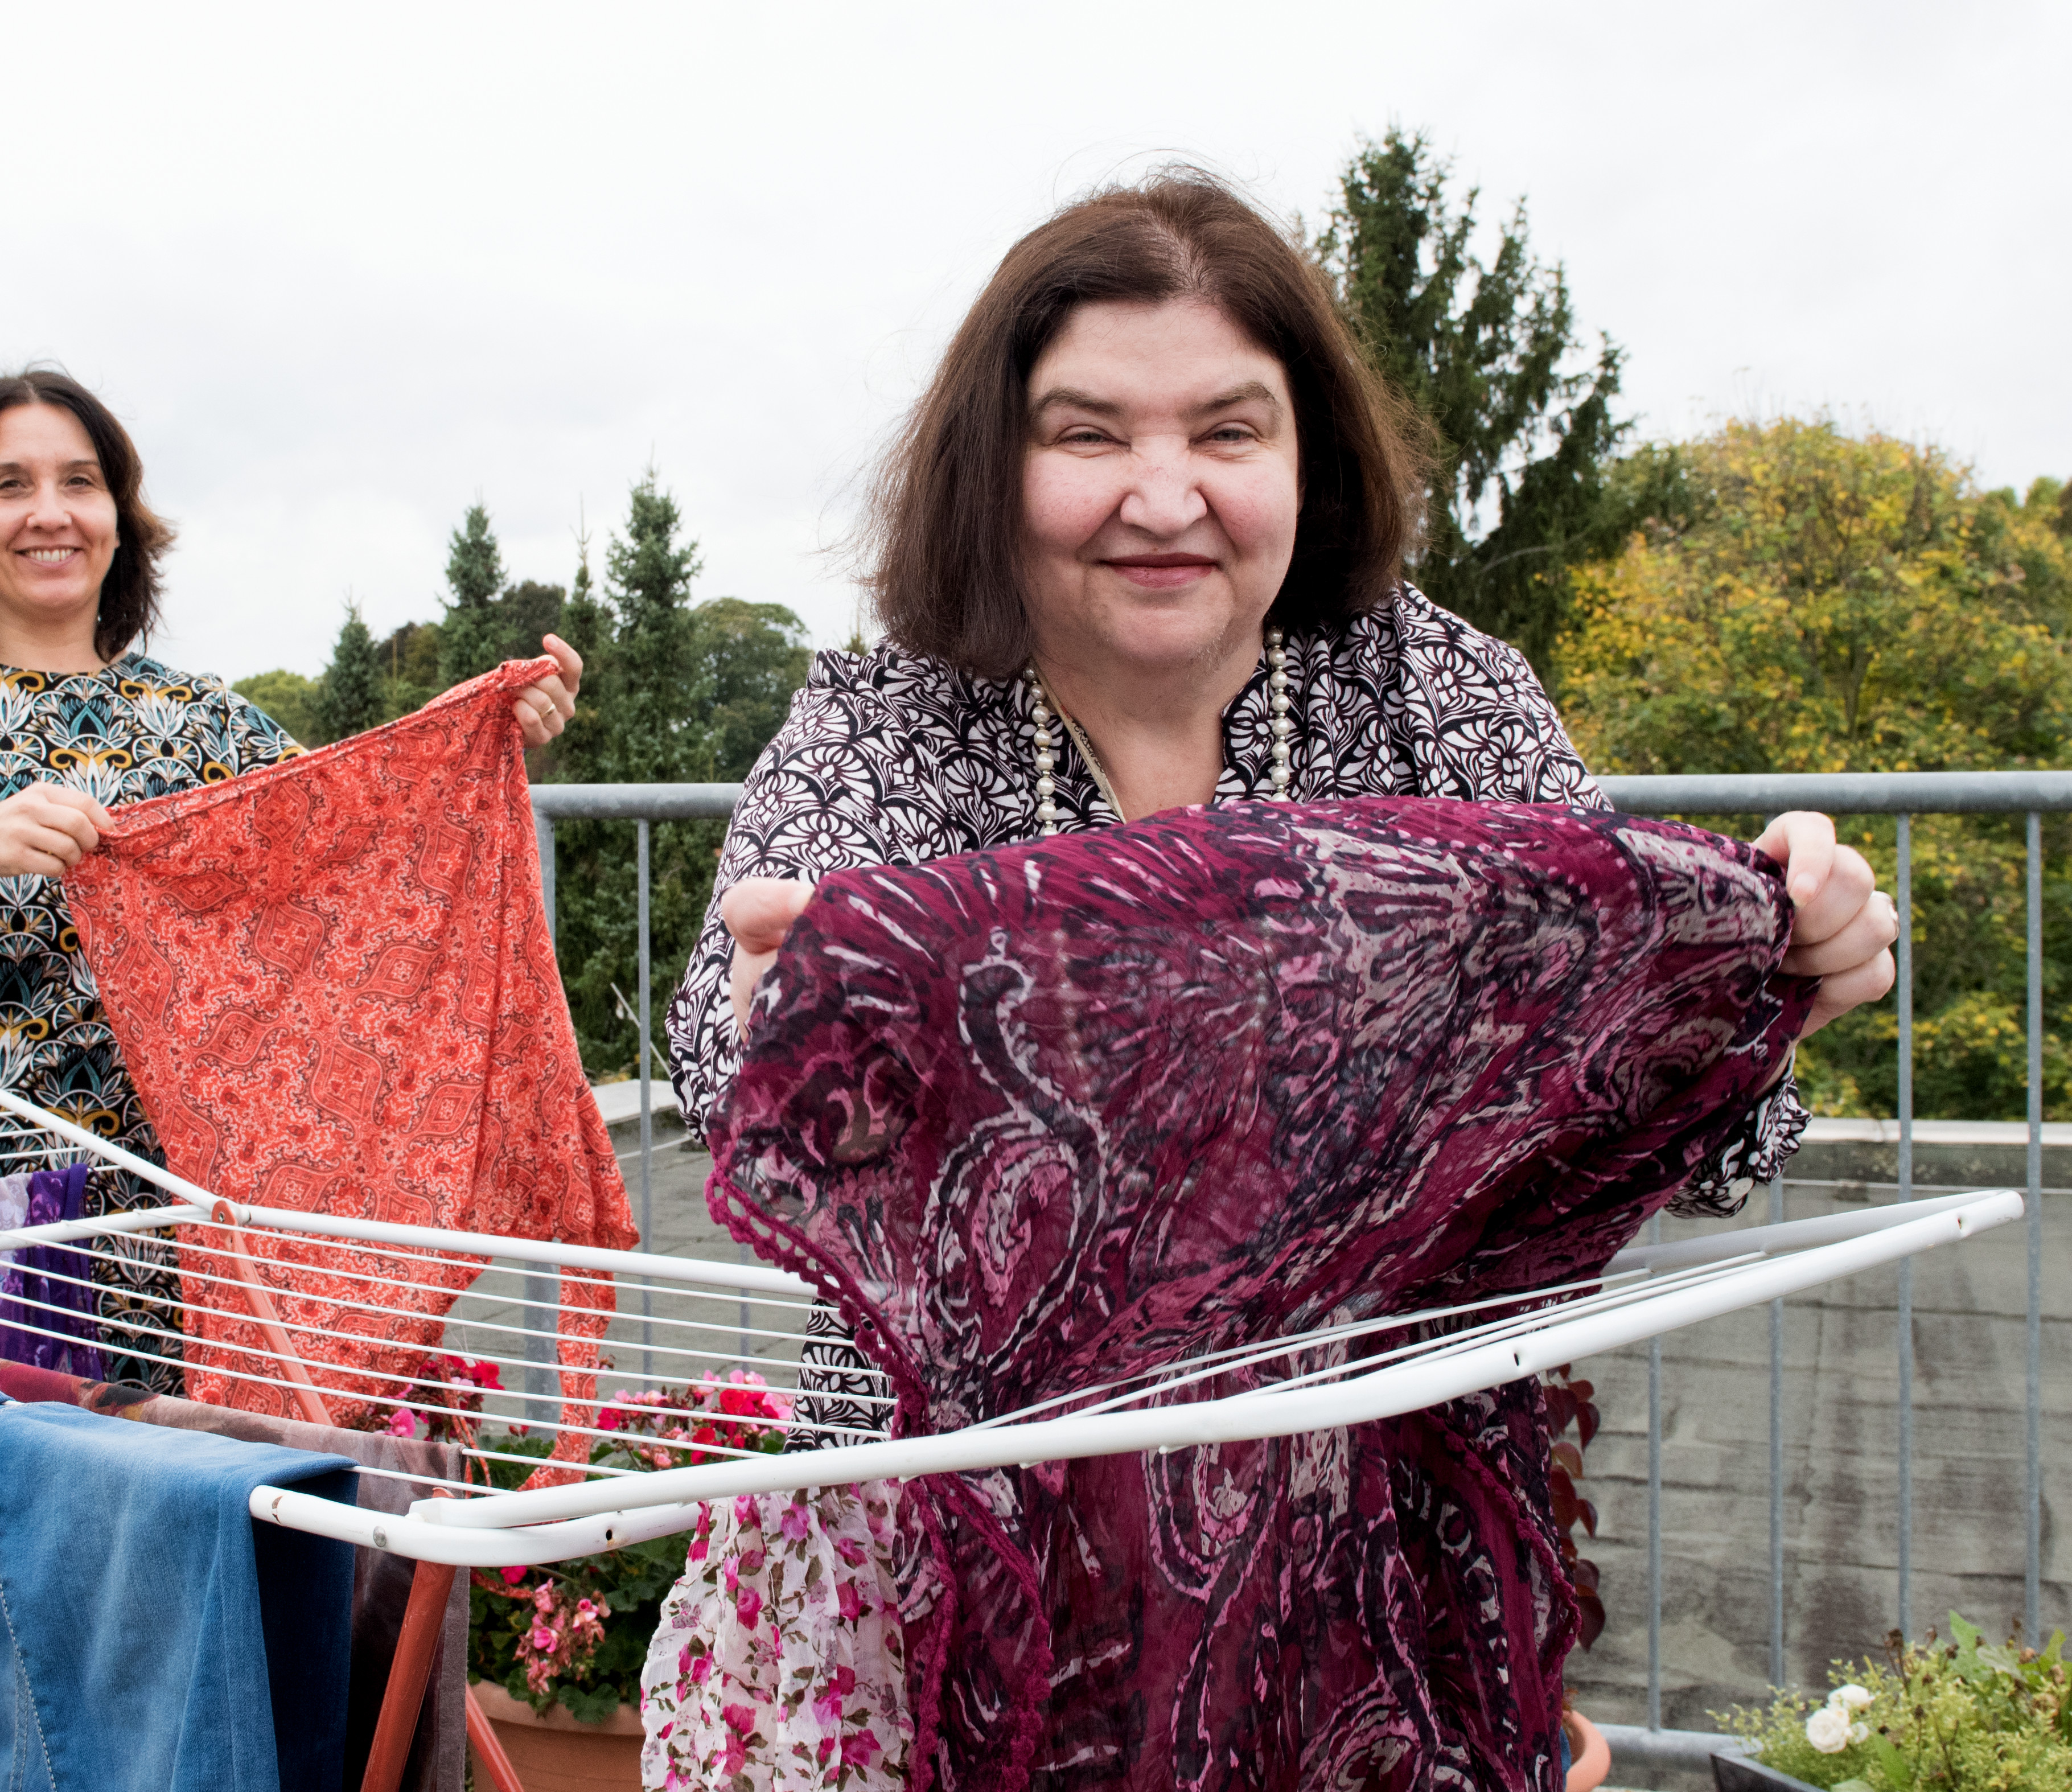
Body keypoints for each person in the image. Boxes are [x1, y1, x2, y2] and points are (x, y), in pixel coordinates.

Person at [652, 170, 1896, 1785]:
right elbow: (717, 1055)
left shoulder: (1443, 702)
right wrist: (794, 1041)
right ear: (994, 462)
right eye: (1087, 434)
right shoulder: (887, 725)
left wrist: (1787, 969)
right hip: (941, 1560)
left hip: (1364, 1567)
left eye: (1228, 432)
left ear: (1309, 457)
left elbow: (1680, 1122)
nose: (1161, 494)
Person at [0, 367, 581, 1387]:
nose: (50, 514)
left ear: (119, 517)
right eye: (11, 485)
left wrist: (491, 735)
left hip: (143, 1229)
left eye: (79, 481)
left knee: (115, 1523)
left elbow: (362, 840)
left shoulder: (207, 723)